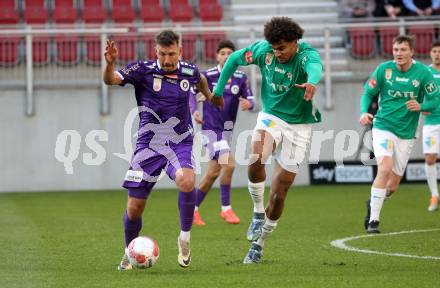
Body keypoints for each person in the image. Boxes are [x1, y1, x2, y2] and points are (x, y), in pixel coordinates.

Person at [103, 30, 219, 270]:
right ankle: (129, 252)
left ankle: (184, 238)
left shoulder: (188, 70)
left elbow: (201, 80)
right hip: (148, 146)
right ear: (156, 51)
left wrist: (208, 96)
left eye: (172, 54)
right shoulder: (142, 70)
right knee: (134, 209)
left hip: (181, 142)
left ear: (180, 51)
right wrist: (111, 63)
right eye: (163, 54)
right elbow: (110, 80)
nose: (168, 60)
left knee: (187, 181)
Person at [213, 17, 323, 264]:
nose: (277, 53)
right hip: (271, 115)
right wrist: (218, 91)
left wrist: (312, 82)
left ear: (295, 42)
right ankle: (257, 212)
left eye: (282, 48)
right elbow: (233, 60)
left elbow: (316, 67)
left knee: (280, 191)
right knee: (256, 158)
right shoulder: (264, 50)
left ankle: (259, 243)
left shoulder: (306, 54)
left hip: (300, 126)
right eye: (274, 48)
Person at [360, 35, 440, 233]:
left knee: (393, 186)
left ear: (411, 52)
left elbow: (434, 100)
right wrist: (364, 111)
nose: (398, 54)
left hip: (407, 133)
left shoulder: (422, 73)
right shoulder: (384, 69)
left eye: (403, 50)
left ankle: (373, 202)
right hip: (383, 127)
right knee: (384, 168)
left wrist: (421, 106)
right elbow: (368, 93)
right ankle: (374, 222)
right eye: (396, 50)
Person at [189, 40, 254, 226]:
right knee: (230, 164)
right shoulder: (208, 75)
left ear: (235, 57)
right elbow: (191, 93)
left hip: (226, 133)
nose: (226, 56)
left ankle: (192, 210)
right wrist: (194, 110)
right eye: (223, 53)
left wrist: (249, 104)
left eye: (230, 53)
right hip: (210, 130)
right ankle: (226, 208)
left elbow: (250, 98)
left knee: (212, 172)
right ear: (217, 56)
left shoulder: (241, 78)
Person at [422, 41, 440, 212]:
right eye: (434, 51)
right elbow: (416, 90)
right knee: (429, 158)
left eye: (439, 51)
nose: (437, 54)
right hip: (431, 122)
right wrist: (421, 105)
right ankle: (434, 195)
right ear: (430, 53)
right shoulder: (425, 72)